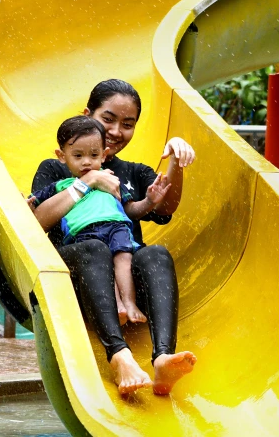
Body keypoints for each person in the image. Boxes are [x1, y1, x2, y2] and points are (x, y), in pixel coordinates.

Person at [31, 79, 197, 396]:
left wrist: (176, 160)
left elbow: (165, 207)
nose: (116, 130)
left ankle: (162, 357)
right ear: (88, 113)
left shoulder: (132, 172)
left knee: (156, 253)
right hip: (77, 277)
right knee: (93, 248)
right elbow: (36, 221)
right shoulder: (56, 168)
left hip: (125, 278)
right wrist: (87, 181)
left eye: (128, 124)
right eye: (107, 119)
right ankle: (119, 355)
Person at [28, 115, 171, 325]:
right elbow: (38, 204)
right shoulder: (62, 185)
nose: (86, 161)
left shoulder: (110, 177)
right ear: (62, 155)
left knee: (124, 258)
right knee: (102, 261)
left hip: (116, 227)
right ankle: (117, 305)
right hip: (86, 232)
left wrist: (149, 201)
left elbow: (129, 207)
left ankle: (129, 303)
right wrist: (29, 205)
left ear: (103, 155)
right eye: (78, 156)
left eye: (93, 155)